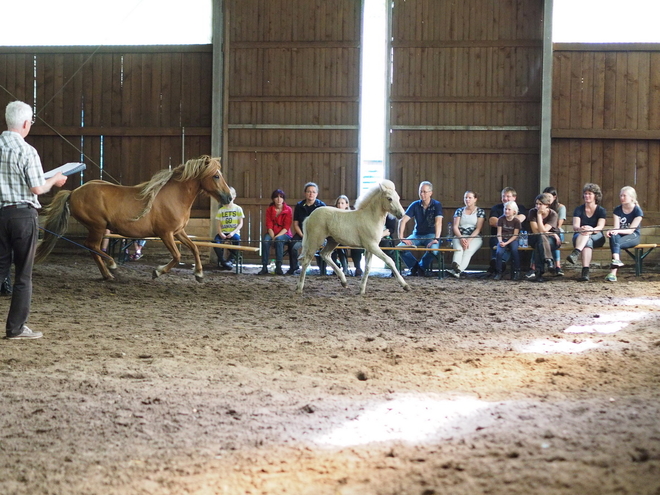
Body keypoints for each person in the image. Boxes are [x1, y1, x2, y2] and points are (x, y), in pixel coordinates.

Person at [0, 100, 68, 339]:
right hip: (22, 216)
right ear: (27, 123)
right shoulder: (27, 151)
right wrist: (55, 180)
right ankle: (15, 328)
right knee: (22, 274)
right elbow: (38, 188)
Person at [397, 181, 443, 277]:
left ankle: (421, 267)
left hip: (431, 235)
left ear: (431, 193)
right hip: (417, 234)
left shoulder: (436, 205)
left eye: (425, 192)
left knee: (434, 251)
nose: (422, 194)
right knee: (399, 248)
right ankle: (414, 267)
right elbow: (403, 220)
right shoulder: (415, 205)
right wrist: (401, 237)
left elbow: (438, 222)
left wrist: (436, 239)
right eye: (420, 191)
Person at [566, 183, 607, 281]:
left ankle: (576, 253)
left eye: (589, 194)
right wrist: (582, 229)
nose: (586, 196)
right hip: (580, 235)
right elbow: (575, 226)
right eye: (585, 193)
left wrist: (590, 229)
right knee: (587, 240)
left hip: (597, 236)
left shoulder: (601, 210)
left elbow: (600, 227)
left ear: (595, 196)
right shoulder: (579, 209)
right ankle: (585, 272)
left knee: (588, 237)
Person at [605, 186, 643, 282]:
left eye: (624, 196)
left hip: (633, 235)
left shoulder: (637, 211)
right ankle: (616, 262)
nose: (622, 198)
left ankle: (613, 273)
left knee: (615, 243)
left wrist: (616, 231)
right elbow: (616, 228)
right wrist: (612, 231)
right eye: (620, 196)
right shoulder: (617, 210)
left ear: (632, 198)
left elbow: (631, 230)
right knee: (613, 237)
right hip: (621, 234)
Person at [287, 182, 326, 275]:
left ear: (317, 194)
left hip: (318, 235)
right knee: (292, 245)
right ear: (305, 193)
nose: (311, 194)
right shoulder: (299, 206)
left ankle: (322, 269)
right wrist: (303, 236)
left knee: (324, 246)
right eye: (308, 191)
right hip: (302, 234)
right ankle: (294, 267)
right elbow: (295, 224)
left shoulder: (321, 206)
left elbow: (324, 225)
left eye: (313, 192)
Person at [488, 187, 527, 274]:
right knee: (497, 243)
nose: (505, 198)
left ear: (514, 198)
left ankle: (500, 263)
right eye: (503, 196)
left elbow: (520, 219)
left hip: (516, 236)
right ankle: (498, 264)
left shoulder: (521, 207)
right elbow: (492, 222)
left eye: (508, 196)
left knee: (513, 246)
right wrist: (510, 220)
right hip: (499, 236)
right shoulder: (496, 208)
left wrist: (502, 221)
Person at [447, 190, 485, 278]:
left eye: (470, 198)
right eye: (465, 198)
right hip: (460, 235)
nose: (467, 200)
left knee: (468, 251)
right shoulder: (459, 211)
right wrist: (461, 238)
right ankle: (455, 267)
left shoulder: (480, 211)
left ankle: (458, 270)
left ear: (475, 199)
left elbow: (478, 228)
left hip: (474, 237)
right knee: (458, 249)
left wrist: (468, 240)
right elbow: (455, 227)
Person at [528, 192, 561, 283]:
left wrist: (551, 234)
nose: (538, 206)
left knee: (540, 242)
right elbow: (536, 231)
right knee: (540, 239)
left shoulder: (553, 214)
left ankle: (539, 273)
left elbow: (543, 230)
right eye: (536, 204)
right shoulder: (532, 212)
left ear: (547, 205)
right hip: (534, 237)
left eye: (540, 204)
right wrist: (538, 215)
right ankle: (549, 260)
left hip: (552, 240)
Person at [258, 189, 292, 275]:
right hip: (271, 232)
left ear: (284, 199)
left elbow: (286, 227)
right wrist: (273, 237)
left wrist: (276, 237)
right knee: (265, 241)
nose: (279, 199)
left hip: (285, 234)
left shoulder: (288, 210)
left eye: (281, 197)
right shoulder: (269, 210)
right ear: (273, 199)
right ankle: (264, 267)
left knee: (279, 240)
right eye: (276, 197)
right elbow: (269, 226)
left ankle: (279, 267)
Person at [330, 195, 364, 276]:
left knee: (356, 249)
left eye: (342, 203)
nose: (340, 205)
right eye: (338, 203)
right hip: (338, 237)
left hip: (351, 237)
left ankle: (358, 268)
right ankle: (341, 267)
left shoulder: (352, 215)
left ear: (347, 204)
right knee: (336, 247)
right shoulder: (333, 215)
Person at [214, 187, 244, 271]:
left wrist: (233, 233)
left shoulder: (238, 209)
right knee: (215, 242)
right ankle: (223, 261)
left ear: (234, 197)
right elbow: (219, 225)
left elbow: (240, 223)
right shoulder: (221, 210)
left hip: (233, 233)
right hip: (223, 232)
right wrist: (220, 233)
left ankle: (231, 260)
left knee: (236, 240)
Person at [494, 201, 522, 280]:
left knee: (514, 251)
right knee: (499, 252)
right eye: (505, 209)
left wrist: (506, 243)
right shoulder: (501, 219)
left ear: (514, 211)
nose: (506, 211)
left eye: (509, 209)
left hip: (512, 239)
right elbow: (499, 233)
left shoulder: (516, 221)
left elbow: (515, 235)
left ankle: (517, 271)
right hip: (502, 239)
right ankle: (498, 272)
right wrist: (500, 241)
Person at [543, 186, 566, 276]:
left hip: (555, 229)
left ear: (555, 197)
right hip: (544, 230)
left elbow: (558, 225)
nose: (547, 199)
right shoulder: (541, 206)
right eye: (545, 197)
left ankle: (557, 266)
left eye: (549, 197)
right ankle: (533, 267)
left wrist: (551, 232)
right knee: (539, 238)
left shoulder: (560, 208)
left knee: (559, 237)